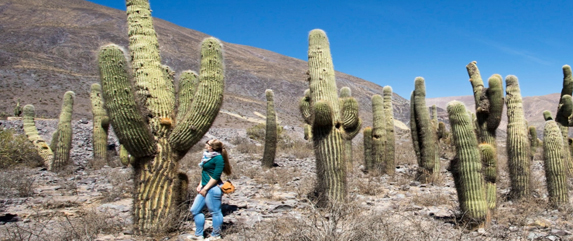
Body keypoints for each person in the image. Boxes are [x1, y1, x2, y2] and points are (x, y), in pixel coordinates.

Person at [189, 139, 232, 240]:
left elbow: (215, 177)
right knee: (195, 210)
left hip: (213, 189)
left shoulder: (218, 158)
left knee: (215, 212)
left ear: (211, 147)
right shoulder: (207, 156)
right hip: (205, 187)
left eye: (207, 144)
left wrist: (206, 188)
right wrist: (200, 184)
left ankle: (216, 235)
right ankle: (199, 235)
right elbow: (205, 172)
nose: (205, 144)